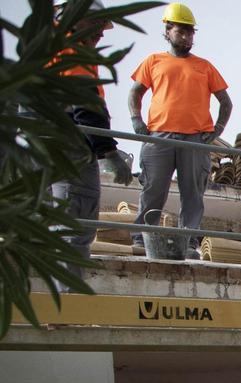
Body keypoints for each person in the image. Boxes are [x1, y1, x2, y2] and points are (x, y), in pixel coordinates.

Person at [127, 2, 232, 258]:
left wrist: (216, 130)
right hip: (159, 137)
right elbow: (135, 92)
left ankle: (189, 243)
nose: (186, 37)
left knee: (193, 193)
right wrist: (136, 121)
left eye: (190, 32)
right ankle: (143, 238)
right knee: (153, 189)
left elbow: (226, 102)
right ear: (168, 31)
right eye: (180, 31)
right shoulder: (154, 61)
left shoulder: (204, 66)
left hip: (195, 140)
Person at [52, 0, 134, 265]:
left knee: (54, 226)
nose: (101, 32)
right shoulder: (74, 49)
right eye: (98, 24)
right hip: (70, 146)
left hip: (46, 144)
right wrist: (108, 152)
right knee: (76, 225)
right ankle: (69, 298)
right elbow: (86, 102)